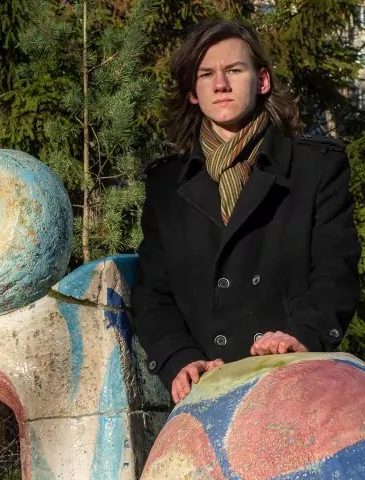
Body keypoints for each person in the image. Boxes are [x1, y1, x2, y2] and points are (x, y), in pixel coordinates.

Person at [131, 19, 361, 405]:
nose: (220, 84)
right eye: (206, 74)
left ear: (263, 80)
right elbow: (153, 293)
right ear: (193, 92)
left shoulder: (315, 168)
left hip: (293, 383)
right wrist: (179, 358)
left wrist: (301, 336)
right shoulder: (166, 185)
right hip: (206, 393)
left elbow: (335, 271)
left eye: (234, 70)